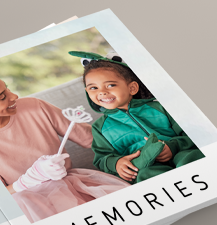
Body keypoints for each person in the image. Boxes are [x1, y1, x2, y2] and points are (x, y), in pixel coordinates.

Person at [0, 65, 130, 223]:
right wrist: (28, 180)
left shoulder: (35, 107)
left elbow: (93, 140)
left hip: (72, 185)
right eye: (2, 97)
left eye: (6, 89)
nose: (14, 97)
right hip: (26, 204)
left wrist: (135, 136)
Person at [69, 51, 204, 184]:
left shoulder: (160, 108)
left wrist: (173, 146)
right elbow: (101, 158)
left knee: (191, 157)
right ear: (87, 92)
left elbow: (193, 133)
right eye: (93, 88)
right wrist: (116, 163)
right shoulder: (99, 128)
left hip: (179, 152)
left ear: (132, 88)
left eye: (111, 85)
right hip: (143, 166)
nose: (102, 92)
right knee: (146, 175)